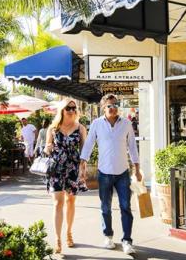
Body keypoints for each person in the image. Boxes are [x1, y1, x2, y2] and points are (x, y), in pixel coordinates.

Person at [80, 93, 142, 255]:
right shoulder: (96, 124)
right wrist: (83, 165)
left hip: (123, 173)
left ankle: (127, 241)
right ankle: (108, 236)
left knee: (125, 207)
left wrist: (137, 168)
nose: (113, 108)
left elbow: (132, 148)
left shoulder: (126, 123)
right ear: (103, 108)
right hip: (104, 172)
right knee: (105, 207)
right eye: (110, 105)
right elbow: (88, 145)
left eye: (116, 104)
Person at [44, 98, 87, 254]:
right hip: (56, 168)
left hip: (73, 168)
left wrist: (83, 169)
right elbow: (47, 150)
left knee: (70, 201)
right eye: (68, 108)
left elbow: (85, 151)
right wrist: (48, 147)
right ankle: (57, 238)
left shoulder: (80, 128)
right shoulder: (53, 128)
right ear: (62, 109)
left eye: (73, 108)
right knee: (57, 203)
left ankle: (69, 232)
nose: (71, 111)